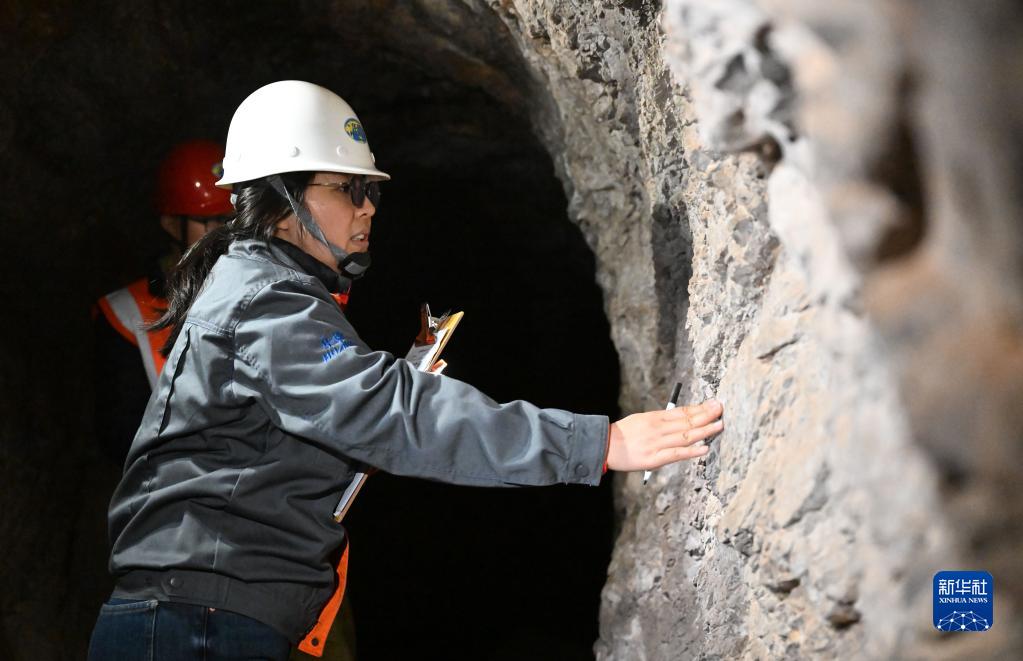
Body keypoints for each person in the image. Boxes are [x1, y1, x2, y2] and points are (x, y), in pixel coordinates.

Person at [87, 80, 725, 661]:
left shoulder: (268, 293)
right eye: (348, 189)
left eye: (371, 192)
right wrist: (599, 443)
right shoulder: (266, 301)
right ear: (281, 201)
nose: (368, 209)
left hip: (206, 617)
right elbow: (388, 412)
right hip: (197, 626)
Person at [93, 140, 233, 463]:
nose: (225, 232)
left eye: (231, 218)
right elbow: (120, 438)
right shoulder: (126, 315)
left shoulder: (263, 291)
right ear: (171, 224)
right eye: (210, 220)